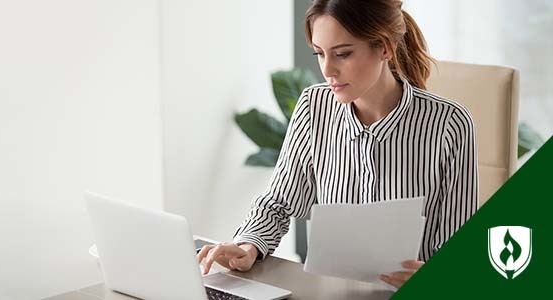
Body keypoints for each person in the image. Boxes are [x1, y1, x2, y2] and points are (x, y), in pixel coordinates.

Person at [198, 0, 478, 289]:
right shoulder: (313, 106)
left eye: (342, 54)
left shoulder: (449, 123)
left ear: (384, 47)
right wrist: (248, 245)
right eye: (320, 54)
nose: (327, 70)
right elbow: (278, 203)